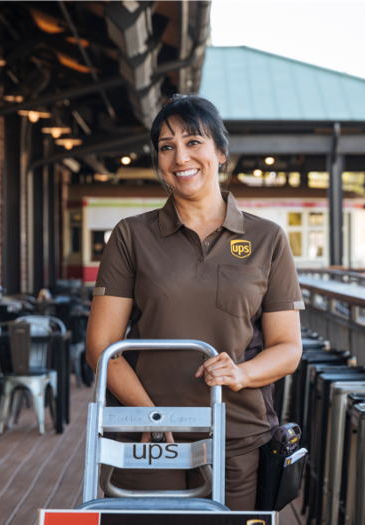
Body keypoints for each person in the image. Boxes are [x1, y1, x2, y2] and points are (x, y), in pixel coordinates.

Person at [85, 94, 304, 510]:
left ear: (220, 152)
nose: (180, 156)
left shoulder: (268, 238)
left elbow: (288, 349)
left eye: (193, 141)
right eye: (166, 146)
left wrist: (240, 373)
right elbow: (101, 348)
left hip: (237, 434)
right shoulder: (131, 236)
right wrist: (153, 417)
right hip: (149, 437)